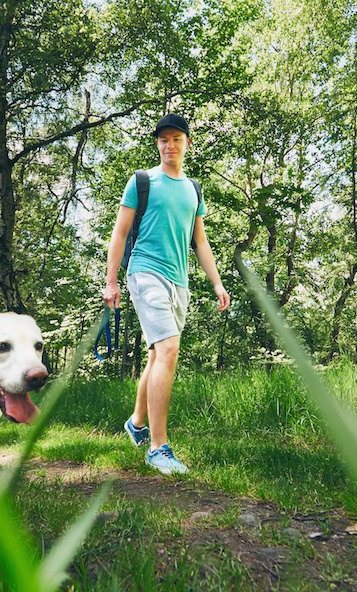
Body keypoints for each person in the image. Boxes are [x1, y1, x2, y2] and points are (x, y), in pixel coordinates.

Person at [103, 113, 230, 475]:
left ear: (187, 143)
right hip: (144, 272)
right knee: (169, 348)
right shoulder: (142, 182)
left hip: (179, 281)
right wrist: (111, 282)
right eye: (163, 140)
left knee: (158, 354)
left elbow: (200, 240)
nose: (169, 145)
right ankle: (158, 447)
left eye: (176, 138)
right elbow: (120, 233)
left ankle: (137, 424)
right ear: (157, 144)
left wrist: (217, 283)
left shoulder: (193, 190)